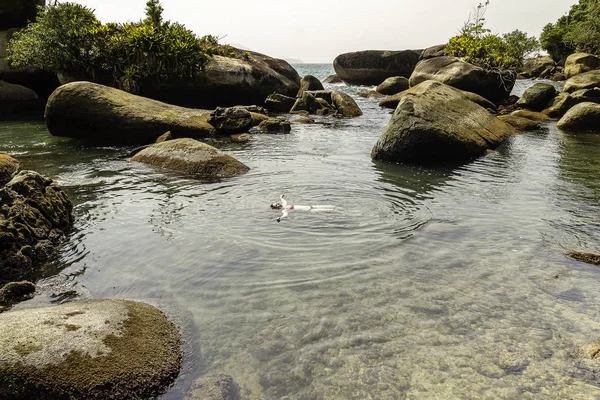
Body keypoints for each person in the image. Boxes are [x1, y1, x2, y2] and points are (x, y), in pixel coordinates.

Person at [270, 195, 335, 222]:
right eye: (276, 205)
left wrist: (281, 197)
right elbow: (285, 215)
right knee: (331, 210)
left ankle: (339, 209)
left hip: (310, 206)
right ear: (277, 208)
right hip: (310, 210)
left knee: (331, 206)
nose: (278, 204)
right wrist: (280, 218)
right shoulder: (284, 210)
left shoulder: (284, 204)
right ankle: (340, 211)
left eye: (277, 203)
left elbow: (283, 200)